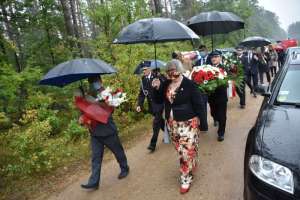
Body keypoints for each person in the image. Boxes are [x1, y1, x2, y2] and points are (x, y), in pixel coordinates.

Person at [152, 59, 205, 194]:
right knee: (180, 149)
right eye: (169, 73)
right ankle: (192, 162)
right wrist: (156, 87)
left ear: (180, 71)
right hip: (172, 124)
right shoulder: (166, 84)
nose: (172, 75)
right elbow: (158, 100)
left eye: (174, 72)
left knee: (185, 152)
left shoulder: (190, 85)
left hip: (189, 123)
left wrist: (203, 123)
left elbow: (199, 104)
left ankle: (185, 178)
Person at [80, 76, 129, 190]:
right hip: (94, 132)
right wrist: (82, 118)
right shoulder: (87, 95)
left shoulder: (105, 94)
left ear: (100, 81)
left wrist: (100, 102)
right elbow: (84, 112)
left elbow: (111, 108)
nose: (94, 84)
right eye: (91, 82)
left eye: (95, 81)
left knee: (117, 151)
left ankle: (125, 168)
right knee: (96, 157)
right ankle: (94, 181)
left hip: (108, 130)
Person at [136, 65, 165, 152]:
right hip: (152, 106)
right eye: (143, 70)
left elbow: (164, 88)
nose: (144, 71)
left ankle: (152, 144)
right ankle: (171, 133)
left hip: (159, 104)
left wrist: (158, 87)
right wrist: (139, 105)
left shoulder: (157, 76)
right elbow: (142, 94)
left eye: (145, 69)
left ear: (150, 69)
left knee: (156, 123)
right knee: (161, 122)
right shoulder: (143, 80)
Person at [208, 50, 228, 141]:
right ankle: (216, 118)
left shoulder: (224, 68)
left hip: (221, 95)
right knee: (213, 113)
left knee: (222, 115)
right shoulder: (207, 68)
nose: (214, 59)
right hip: (211, 96)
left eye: (216, 57)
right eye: (212, 57)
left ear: (220, 58)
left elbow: (228, 81)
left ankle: (221, 133)